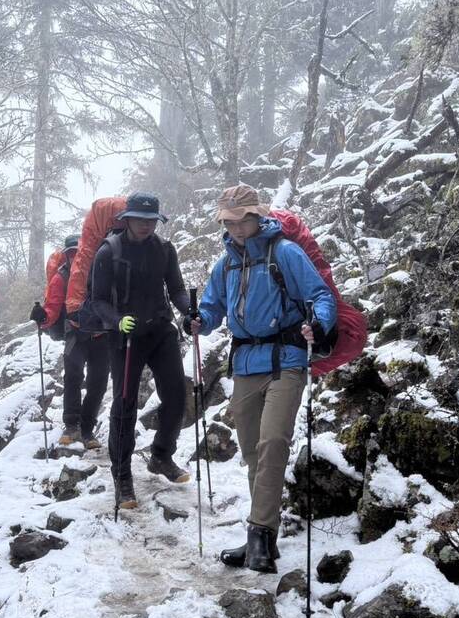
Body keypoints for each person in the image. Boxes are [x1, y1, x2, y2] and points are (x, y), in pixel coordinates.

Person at [187, 184, 337, 573]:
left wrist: (318, 325)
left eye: (242, 220)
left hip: (286, 359)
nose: (236, 228)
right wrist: (200, 321)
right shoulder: (226, 265)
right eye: (229, 222)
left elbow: (320, 295)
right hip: (245, 363)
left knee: (273, 442)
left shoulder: (284, 253)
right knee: (252, 451)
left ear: (257, 216)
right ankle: (264, 539)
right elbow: (213, 308)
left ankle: (259, 536)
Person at [89, 191, 191, 509]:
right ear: (127, 219)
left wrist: (190, 311)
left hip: (160, 330)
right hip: (126, 337)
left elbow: (175, 288)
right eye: (140, 219)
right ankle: (122, 477)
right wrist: (118, 321)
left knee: (176, 395)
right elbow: (97, 300)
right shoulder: (109, 252)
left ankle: (161, 455)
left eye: (152, 220)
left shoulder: (164, 249)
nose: (146, 225)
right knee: (125, 404)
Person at [31, 236, 110, 450]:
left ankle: (86, 427)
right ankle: (72, 425)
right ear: (66, 255)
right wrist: (42, 317)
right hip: (76, 333)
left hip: (102, 334)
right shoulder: (61, 277)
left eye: (80, 252)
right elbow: (53, 308)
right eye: (72, 253)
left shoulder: (103, 270)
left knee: (98, 383)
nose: (77, 257)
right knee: (74, 378)